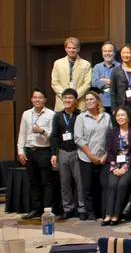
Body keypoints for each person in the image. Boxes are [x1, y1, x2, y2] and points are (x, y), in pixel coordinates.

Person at [17, 88, 56, 220]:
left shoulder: (51, 114)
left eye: (40, 98)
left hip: (44, 150)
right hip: (29, 151)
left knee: (47, 183)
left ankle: (47, 211)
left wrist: (42, 131)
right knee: (33, 182)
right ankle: (36, 209)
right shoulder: (26, 114)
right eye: (34, 97)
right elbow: (22, 133)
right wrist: (20, 151)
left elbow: (53, 135)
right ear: (31, 99)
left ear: (45, 100)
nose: (37, 100)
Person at [74, 90, 111, 220]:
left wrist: (105, 155)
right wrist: (90, 155)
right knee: (88, 185)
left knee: (104, 185)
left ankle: (104, 211)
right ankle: (90, 212)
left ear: (97, 101)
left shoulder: (106, 116)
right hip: (86, 157)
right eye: (87, 100)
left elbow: (110, 137)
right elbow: (78, 138)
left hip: (103, 157)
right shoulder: (81, 117)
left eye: (91, 99)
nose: (89, 102)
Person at [50, 88, 84, 220]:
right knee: (65, 183)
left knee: (80, 182)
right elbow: (54, 136)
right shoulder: (57, 116)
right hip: (63, 152)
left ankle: (82, 209)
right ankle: (67, 209)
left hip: (77, 151)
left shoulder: (79, 115)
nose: (67, 100)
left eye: (70, 98)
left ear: (76, 100)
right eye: (65, 98)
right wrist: (54, 154)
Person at [101, 106, 131, 226]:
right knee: (112, 185)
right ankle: (108, 215)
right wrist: (115, 167)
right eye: (118, 115)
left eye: (122, 115)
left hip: (129, 165)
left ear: (128, 117)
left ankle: (116, 215)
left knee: (122, 185)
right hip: (115, 165)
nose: (120, 117)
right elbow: (110, 150)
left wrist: (125, 167)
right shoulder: (112, 132)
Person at [52, 37, 92, 110]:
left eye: (74, 48)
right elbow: (54, 83)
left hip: (79, 103)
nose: (71, 50)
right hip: (61, 103)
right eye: (69, 48)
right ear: (65, 49)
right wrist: (66, 96)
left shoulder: (86, 64)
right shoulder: (58, 63)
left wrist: (74, 96)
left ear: (78, 49)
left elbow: (87, 84)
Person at [92, 42, 120, 110]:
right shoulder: (97, 67)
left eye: (110, 51)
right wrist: (112, 82)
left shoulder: (120, 67)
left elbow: (120, 83)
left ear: (114, 53)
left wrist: (102, 80)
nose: (107, 53)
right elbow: (94, 83)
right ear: (102, 53)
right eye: (105, 51)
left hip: (116, 103)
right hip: (101, 104)